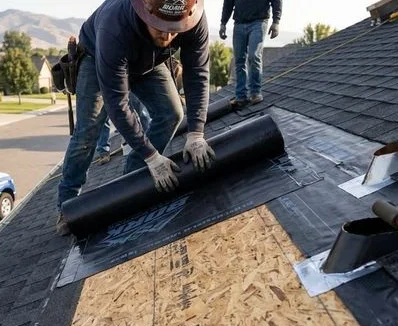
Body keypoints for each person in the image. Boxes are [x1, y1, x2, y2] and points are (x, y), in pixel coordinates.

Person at [55, 0, 214, 235]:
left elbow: (197, 73)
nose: (167, 36)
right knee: (88, 132)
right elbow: (117, 104)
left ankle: (131, 182)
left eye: (174, 30)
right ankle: (66, 206)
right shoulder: (114, 26)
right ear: (145, 12)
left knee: (172, 113)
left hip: (148, 60)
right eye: (160, 28)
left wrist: (196, 133)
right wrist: (152, 156)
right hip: (99, 57)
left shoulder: (192, 18)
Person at [220, 0, 282, 108]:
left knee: (254, 56)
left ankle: (255, 93)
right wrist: (223, 23)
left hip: (259, 22)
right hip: (239, 23)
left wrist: (276, 22)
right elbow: (228, 3)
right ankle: (241, 96)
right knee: (239, 60)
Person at [96, 94, 152, 164]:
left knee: (141, 111)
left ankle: (152, 140)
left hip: (128, 87)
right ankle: (103, 151)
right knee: (100, 117)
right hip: (99, 90)